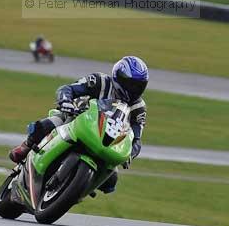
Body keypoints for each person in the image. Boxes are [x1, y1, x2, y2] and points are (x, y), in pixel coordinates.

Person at [9, 55, 149, 193]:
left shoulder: (139, 107)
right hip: (75, 117)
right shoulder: (100, 81)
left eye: (139, 86)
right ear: (119, 77)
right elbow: (68, 89)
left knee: (111, 181)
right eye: (131, 84)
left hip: (105, 141)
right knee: (50, 124)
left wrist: (130, 153)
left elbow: (136, 138)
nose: (134, 89)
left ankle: (79, 189)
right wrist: (65, 101)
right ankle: (26, 147)